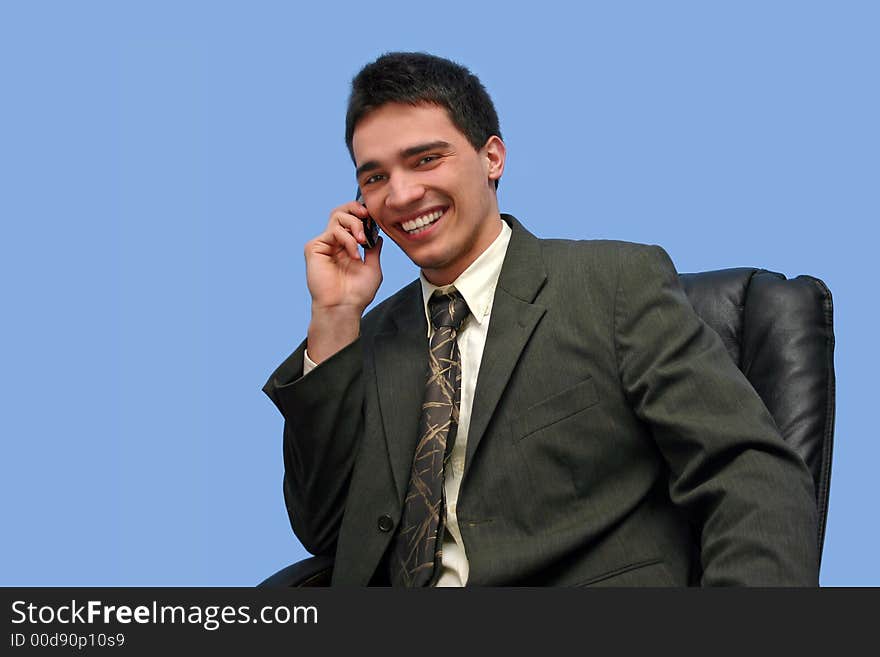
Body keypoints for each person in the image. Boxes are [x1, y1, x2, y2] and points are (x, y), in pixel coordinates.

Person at [262, 52, 819, 586]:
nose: (402, 194)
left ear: (492, 158)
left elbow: (748, 474)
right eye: (375, 177)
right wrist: (334, 317)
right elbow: (327, 531)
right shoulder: (373, 335)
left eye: (426, 159)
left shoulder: (613, 283)